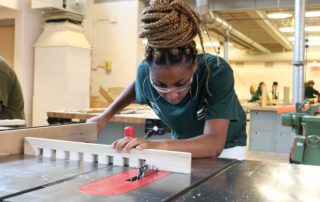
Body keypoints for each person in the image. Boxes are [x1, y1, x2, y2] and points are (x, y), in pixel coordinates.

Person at [88, 0, 247, 160]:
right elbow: (138, 85)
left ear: (195, 66)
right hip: (182, 142)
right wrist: (105, 116)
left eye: (181, 84)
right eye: (160, 85)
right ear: (149, 72)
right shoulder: (144, 73)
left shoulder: (216, 72)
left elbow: (213, 144)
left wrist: (158, 145)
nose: (172, 95)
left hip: (227, 146)